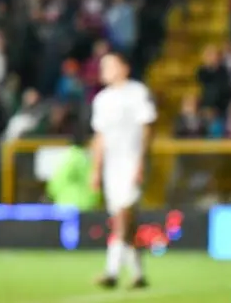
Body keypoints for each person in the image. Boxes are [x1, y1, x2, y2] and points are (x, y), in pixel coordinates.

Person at [90, 52, 157, 289]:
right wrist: (96, 170)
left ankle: (112, 271)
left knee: (123, 216)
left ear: (124, 68)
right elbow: (99, 137)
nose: (104, 69)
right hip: (111, 166)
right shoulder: (101, 100)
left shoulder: (137, 93)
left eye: (109, 65)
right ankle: (138, 275)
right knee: (126, 222)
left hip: (131, 162)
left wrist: (141, 162)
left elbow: (147, 129)